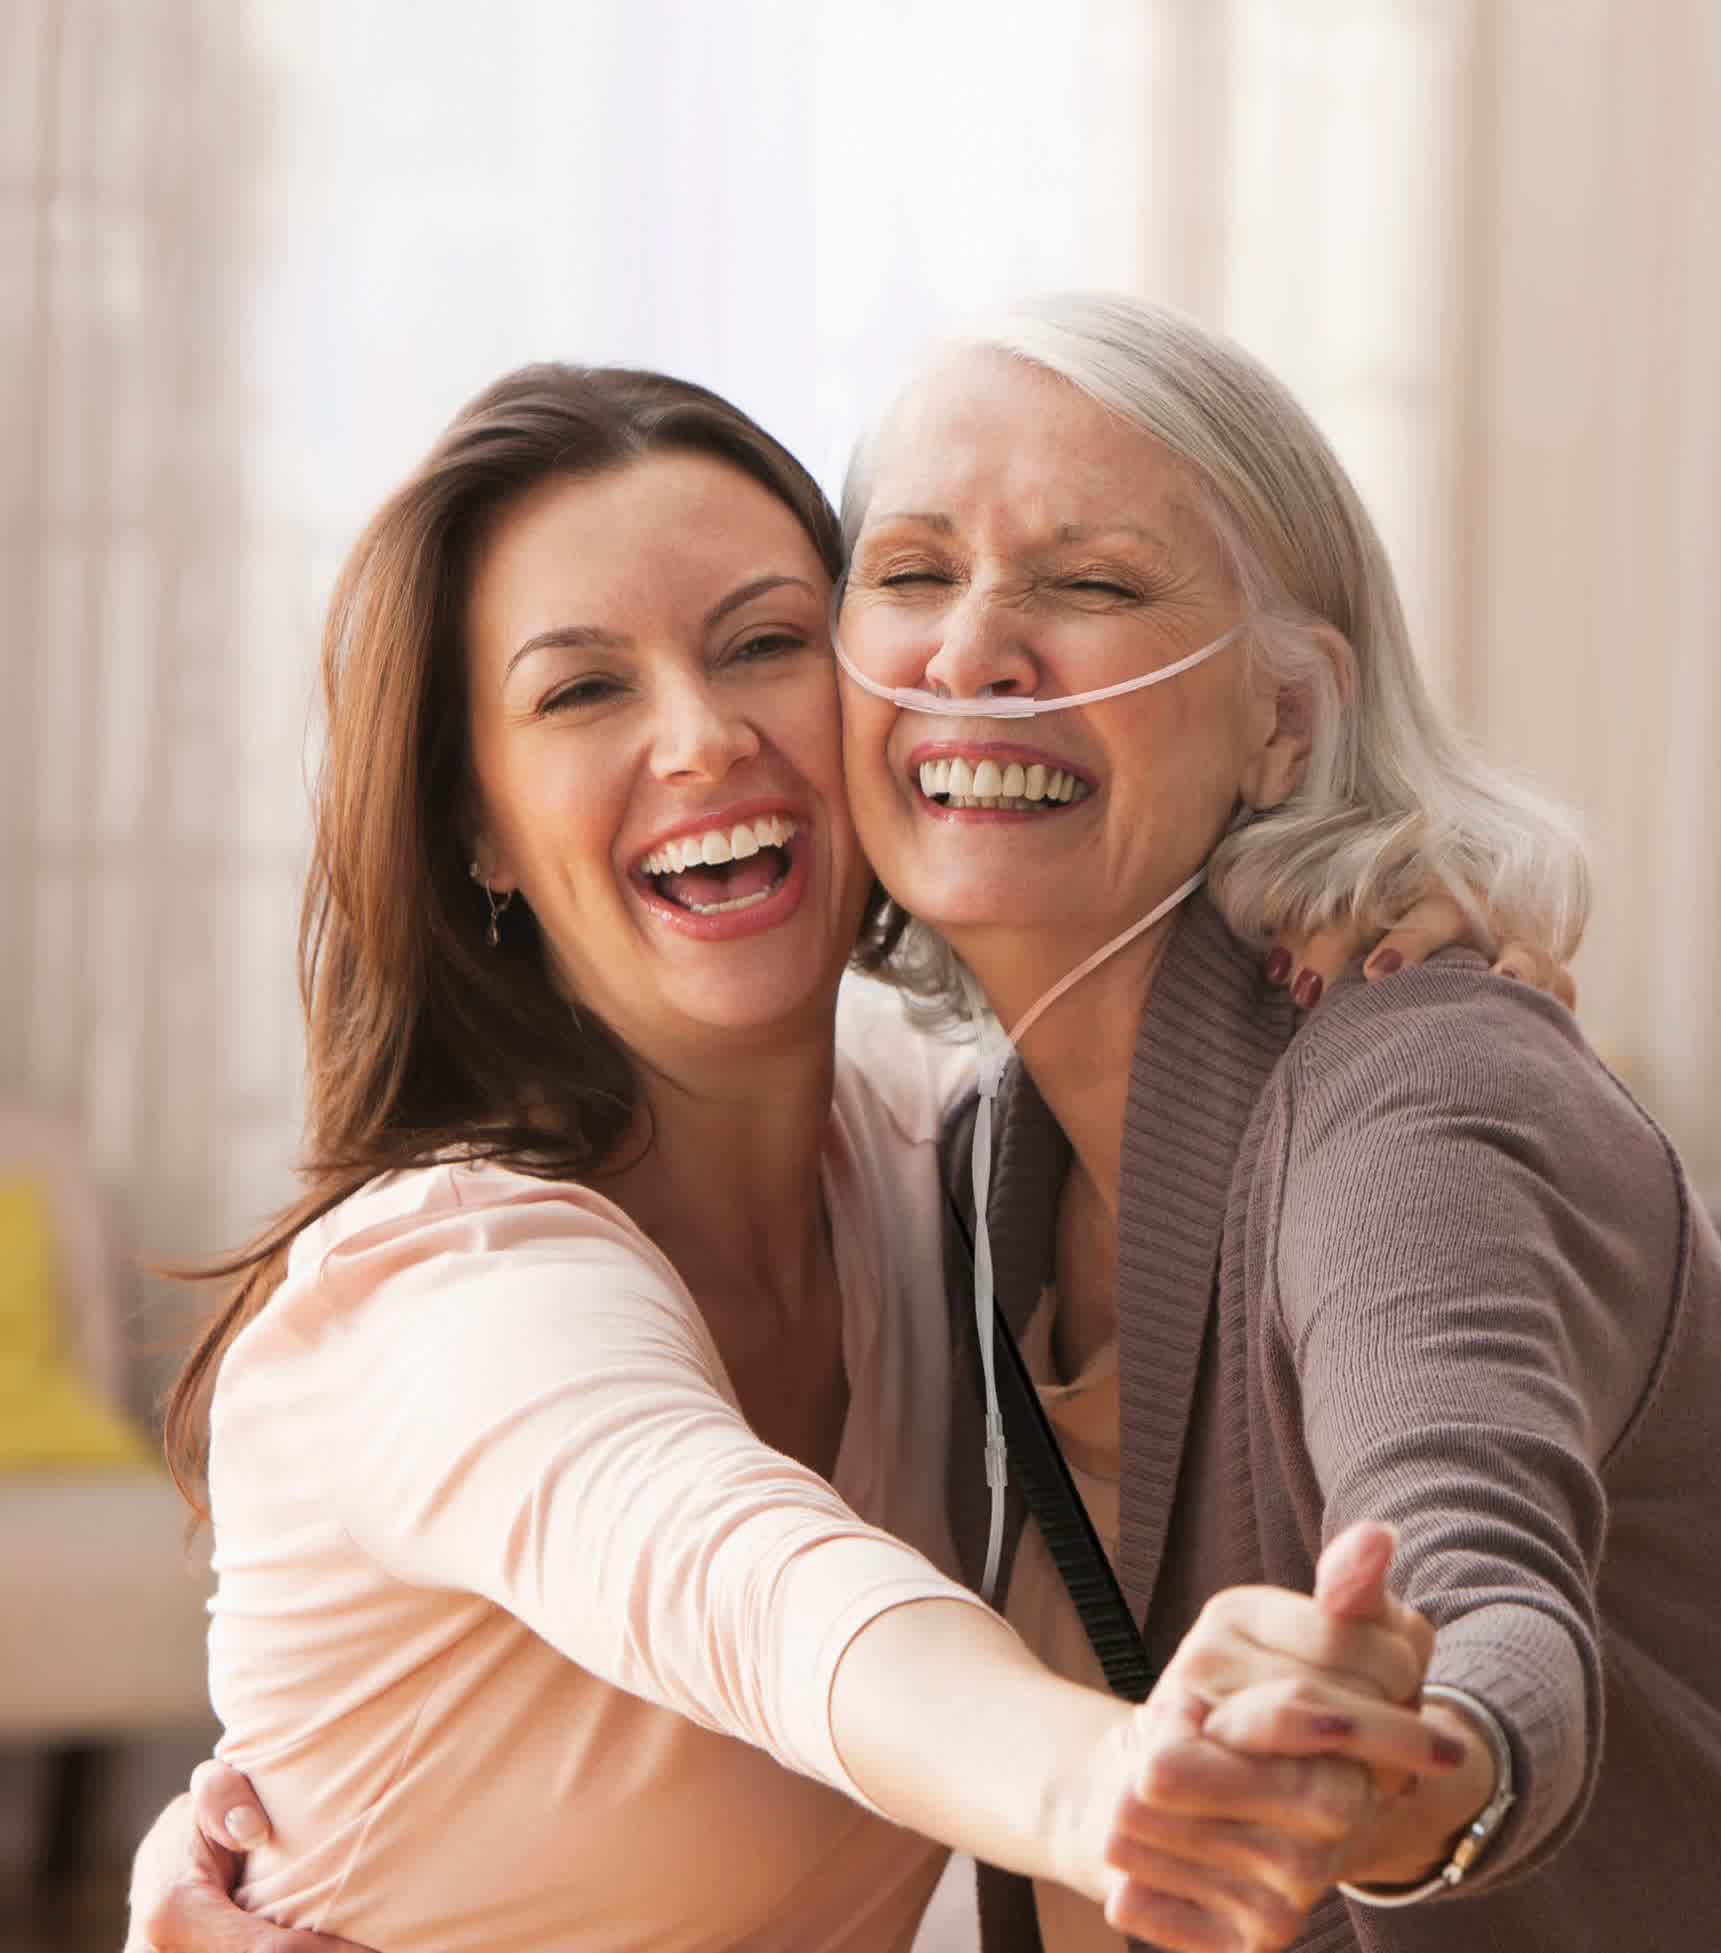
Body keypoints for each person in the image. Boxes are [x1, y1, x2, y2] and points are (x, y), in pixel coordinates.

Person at [124, 362, 1552, 1953]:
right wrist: (1108, 1784)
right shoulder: (446, 1288)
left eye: (765, 644)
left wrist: (1401, 917)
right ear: (478, 826)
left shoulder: (936, 1149)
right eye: (581, 691)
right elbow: (753, 1589)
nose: (701, 736)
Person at [823, 291, 1721, 1948]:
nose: (973, 648)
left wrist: (1416, 1749)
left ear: (1285, 716)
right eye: (913, 572)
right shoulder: (970, 1158)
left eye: (1089, 584)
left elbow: (1464, 1563)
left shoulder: (1416, 1093)